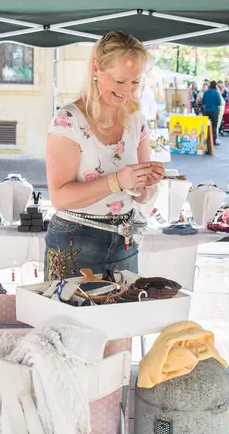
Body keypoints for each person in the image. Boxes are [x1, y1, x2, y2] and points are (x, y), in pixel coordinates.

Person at [45, 31, 165, 280]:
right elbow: (59, 197)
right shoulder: (68, 120)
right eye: (120, 81)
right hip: (75, 239)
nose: (128, 91)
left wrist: (146, 185)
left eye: (135, 82)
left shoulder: (137, 121)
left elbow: (142, 194)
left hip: (125, 239)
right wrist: (117, 181)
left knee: (124, 318)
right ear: (96, 69)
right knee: (70, 319)